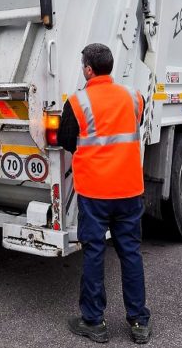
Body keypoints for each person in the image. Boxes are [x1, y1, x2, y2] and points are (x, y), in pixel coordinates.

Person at [58, 43, 151, 345]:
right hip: (128, 190)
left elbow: (66, 141)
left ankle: (94, 322)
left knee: (95, 255)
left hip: (95, 192)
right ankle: (139, 322)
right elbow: (133, 125)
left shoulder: (77, 102)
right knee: (130, 254)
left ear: (88, 69)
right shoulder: (133, 96)